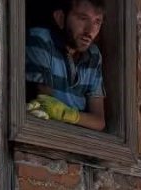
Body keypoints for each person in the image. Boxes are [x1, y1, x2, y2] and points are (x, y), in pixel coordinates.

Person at [25, 0, 107, 131]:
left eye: (97, 22)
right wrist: (82, 119)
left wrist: (70, 115)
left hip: (82, 140)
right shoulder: (42, 40)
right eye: (83, 18)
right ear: (60, 18)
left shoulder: (94, 55)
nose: (90, 31)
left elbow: (99, 121)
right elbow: (45, 106)